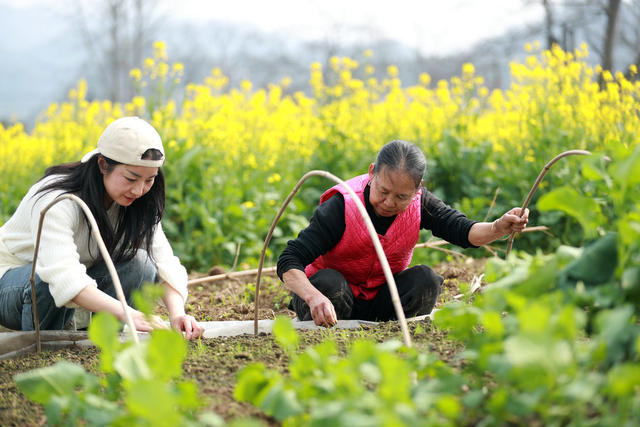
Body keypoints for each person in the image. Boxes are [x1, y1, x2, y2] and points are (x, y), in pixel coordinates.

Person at [277, 140, 529, 327]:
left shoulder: (421, 204)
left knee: (426, 280)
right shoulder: (343, 206)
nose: (389, 202)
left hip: (379, 298)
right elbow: (289, 260)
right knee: (331, 282)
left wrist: (498, 227)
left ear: (417, 189)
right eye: (383, 191)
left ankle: (391, 333)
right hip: (330, 298)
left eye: (401, 197)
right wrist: (313, 297)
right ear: (372, 172)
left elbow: (463, 231)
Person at [0, 116, 204, 339]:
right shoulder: (58, 199)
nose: (138, 190)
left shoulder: (135, 202)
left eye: (149, 180)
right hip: (13, 284)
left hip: (76, 282)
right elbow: (62, 275)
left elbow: (163, 261)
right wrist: (131, 315)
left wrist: (177, 315)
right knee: (45, 279)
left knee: (140, 264)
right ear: (103, 165)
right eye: (131, 178)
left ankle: (100, 344)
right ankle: (47, 346)